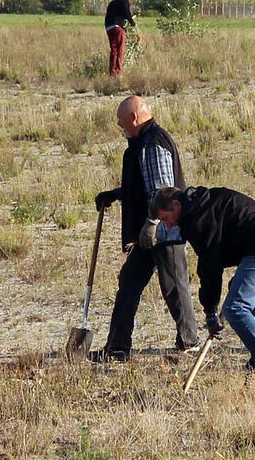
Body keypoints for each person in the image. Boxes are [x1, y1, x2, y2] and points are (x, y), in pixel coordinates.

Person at [92, 96, 198, 361]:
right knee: (128, 284)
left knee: (174, 287)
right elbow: (142, 186)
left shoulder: (153, 144)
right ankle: (117, 348)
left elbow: (163, 192)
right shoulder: (141, 144)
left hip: (164, 230)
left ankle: (190, 343)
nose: (119, 124)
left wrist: (152, 225)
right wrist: (116, 194)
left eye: (121, 120)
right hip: (146, 232)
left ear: (134, 117)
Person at [149, 185, 255, 375]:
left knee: (236, 308)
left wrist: (211, 312)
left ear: (176, 205)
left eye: (165, 219)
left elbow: (210, 267)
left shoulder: (197, 220)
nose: (168, 225)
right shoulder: (206, 201)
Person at [105, 0, 136, 76]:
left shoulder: (112, 3)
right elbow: (126, 11)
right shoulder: (124, 1)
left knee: (113, 50)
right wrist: (132, 22)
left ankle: (112, 73)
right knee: (120, 50)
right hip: (118, 27)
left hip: (108, 27)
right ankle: (119, 72)